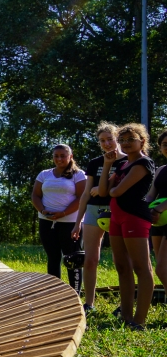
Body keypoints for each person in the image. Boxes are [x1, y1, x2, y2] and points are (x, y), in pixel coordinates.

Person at [98, 122, 155, 330]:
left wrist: (112, 188)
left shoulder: (144, 163)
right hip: (116, 218)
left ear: (142, 141)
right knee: (122, 267)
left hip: (134, 217)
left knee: (142, 267)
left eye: (131, 139)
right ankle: (126, 316)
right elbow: (104, 190)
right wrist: (106, 165)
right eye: (122, 140)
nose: (126, 143)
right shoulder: (122, 165)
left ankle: (139, 321)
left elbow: (116, 191)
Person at [72, 123, 127, 313]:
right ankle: (89, 304)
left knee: (120, 260)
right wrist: (77, 222)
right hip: (94, 212)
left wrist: (105, 189)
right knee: (90, 259)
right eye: (102, 141)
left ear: (118, 139)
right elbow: (86, 194)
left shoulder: (129, 161)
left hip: (118, 211)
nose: (107, 144)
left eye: (110, 139)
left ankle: (124, 304)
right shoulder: (95, 162)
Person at [32, 144, 85, 284]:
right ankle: (55, 291)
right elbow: (35, 195)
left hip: (70, 222)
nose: (59, 159)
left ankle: (75, 293)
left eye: (63, 156)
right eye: (56, 156)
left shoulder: (78, 175)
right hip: (47, 221)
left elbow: (82, 198)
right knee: (53, 257)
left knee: (72, 258)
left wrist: (63, 213)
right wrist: (43, 210)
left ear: (70, 157)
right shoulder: (44, 174)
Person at [145, 128, 167, 291]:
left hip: (160, 214)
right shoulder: (160, 170)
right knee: (163, 268)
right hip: (158, 222)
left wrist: (159, 209)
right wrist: (144, 209)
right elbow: (150, 195)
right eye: (165, 144)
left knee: (161, 270)